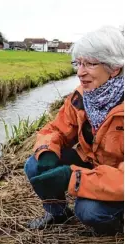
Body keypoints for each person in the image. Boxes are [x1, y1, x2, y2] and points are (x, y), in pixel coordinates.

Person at [24, 26, 124, 235]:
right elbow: (55, 129)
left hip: (118, 178)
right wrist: (48, 152)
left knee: (88, 211)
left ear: (114, 68)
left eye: (90, 64)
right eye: (78, 63)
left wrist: (74, 178)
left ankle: (115, 224)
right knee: (35, 164)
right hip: (93, 161)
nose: (80, 72)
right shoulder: (82, 96)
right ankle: (57, 213)